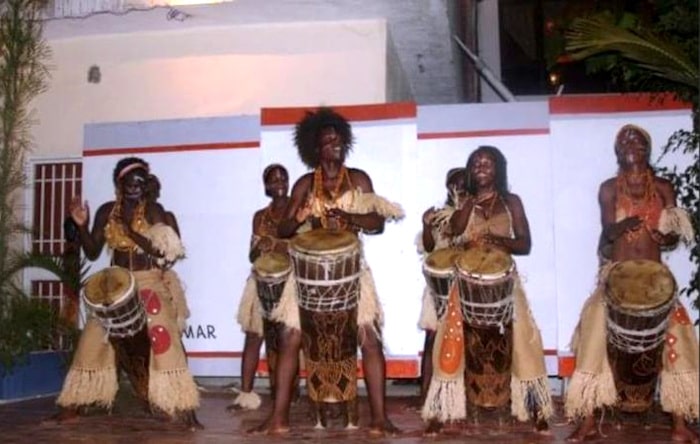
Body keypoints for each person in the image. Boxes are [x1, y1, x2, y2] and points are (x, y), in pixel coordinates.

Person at [250, 107, 404, 436]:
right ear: (315, 149)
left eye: (338, 140)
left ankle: (379, 418)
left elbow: (377, 223)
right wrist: (304, 215)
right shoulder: (306, 184)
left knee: (371, 339)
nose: (334, 145)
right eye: (327, 141)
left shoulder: (358, 179)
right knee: (290, 338)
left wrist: (350, 220)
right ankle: (279, 418)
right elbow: (284, 229)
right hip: (306, 276)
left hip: (351, 274)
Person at [565, 124, 698, 443]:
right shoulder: (609, 188)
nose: (631, 144)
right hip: (617, 276)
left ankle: (680, 424)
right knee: (592, 330)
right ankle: (587, 422)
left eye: (637, 140)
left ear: (647, 149)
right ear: (617, 151)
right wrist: (620, 225)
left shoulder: (664, 187)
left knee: (678, 333)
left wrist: (664, 235)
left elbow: (671, 236)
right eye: (624, 140)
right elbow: (606, 237)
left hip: (655, 280)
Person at [50, 157, 201, 430]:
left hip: (149, 281)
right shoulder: (107, 211)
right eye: (130, 182)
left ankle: (184, 408)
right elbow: (94, 250)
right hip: (117, 281)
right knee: (93, 333)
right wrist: (82, 225)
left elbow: (161, 252)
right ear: (119, 183)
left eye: (141, 182)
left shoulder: (154, 210)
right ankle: (72, 404)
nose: (135, 187)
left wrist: (131, 232)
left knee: (163, 332)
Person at [420, 145, 553, 435]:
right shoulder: (462, 201)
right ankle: (439, 410)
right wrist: (467, 206)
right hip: (466, 279)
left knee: (524, 339)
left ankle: (536, 408)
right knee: (448, 339)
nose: (481, 165)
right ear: (469, 170)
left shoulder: (512, 202)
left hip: (503, 279)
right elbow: (453, 232)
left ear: (498, 170)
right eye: (476, 162)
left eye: (488, 162)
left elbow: (525, 244)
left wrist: (497, 240)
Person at [228, 163, 292, 410]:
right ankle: (245, 395)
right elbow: (252, 255)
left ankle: (289, 394)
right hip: (261, 280)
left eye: (283, 179)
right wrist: (260, 246)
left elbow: (302, 246)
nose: (280, 184)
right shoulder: (260, 216)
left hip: (289, 282)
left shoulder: (296, 212)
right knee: (254, 336)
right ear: (266, 185)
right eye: (274, 180)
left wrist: (274, 243)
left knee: (289, 339)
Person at [416, 167, 465, 403]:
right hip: (438, 287)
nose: (459, 188)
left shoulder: (475, 213)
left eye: (464, 183)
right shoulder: (439, 217)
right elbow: (427, 248)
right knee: (432, 337)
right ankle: (426, 395)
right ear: (448, 188)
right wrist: (426, 226)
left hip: (468, 287)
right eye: (454, 184)